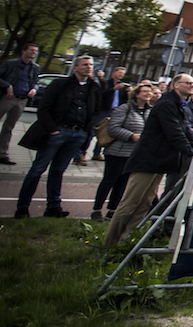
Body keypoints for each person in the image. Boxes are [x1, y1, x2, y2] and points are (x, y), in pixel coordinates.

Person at [104, 74, 193, 245]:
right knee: (131, 201)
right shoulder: (167, 104)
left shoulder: (179, 105)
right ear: (176, 85)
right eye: (188, 83)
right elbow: (174, 132)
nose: (192, 85)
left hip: (159, 161)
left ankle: (127, 240)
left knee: (144, 203)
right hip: (148, 160)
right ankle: (110, 242)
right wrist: (191, 152)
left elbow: (185, 131)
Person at [14, 55, 102, 218]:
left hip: (77, 134)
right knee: (38, 169)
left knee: (58, 170)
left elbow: (95, 111)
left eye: (90, 64)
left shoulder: (94, 88)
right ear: (75, 68)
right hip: (58, 131)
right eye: (84, 64)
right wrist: (53, 129)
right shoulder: (60, 84)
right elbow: (44, 107)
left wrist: (85, 131)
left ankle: (53, 207)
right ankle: (22, 207)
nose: (88, 67)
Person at [90, 82, 152, 220]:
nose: (148, 94)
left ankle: (113, 210)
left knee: (123, 182)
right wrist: (131, 136)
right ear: (137, 94)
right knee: (109, 180)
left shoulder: (149, 111)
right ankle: (97, 209)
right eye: (145, 91)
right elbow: (113, 128)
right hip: (117, 151)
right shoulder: (125, 108)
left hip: (134, 153)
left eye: (150, 92)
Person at [0, 42, 40, 166]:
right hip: (7, 98)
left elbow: (36, 82)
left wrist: (34, 89)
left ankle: (2, 154)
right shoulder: (10, 64)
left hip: (22, 99)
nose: (34, 52)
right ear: (24, 51)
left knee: (9, 127)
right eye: (31, 50)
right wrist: (7, 86)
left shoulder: (35, 67)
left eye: (35, 51)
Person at [88, 65, 128, 163]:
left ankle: (97, 153)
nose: (121, 75)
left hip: (115, 111)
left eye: (123, 73)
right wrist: (113, 89)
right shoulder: (106, 83)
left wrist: (128, 93)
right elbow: (101, 94)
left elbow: (124, 99)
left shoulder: (122, 86)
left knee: (106, 133)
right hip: (104, 110)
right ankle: (82, 153)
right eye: (119, 72)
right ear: (113, 73)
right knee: (94, 131)